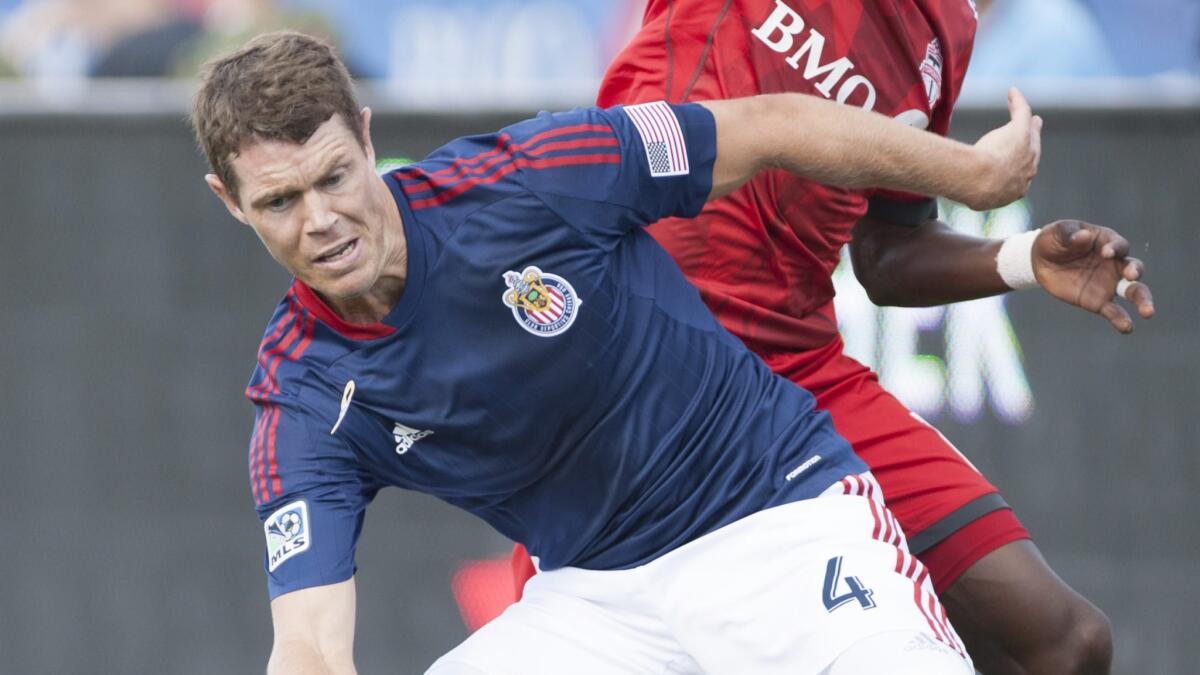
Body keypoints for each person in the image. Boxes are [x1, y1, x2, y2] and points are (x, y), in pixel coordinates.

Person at [193, 31, 1044, 674]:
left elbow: (774, 123)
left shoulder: (529, 180)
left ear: (368, 139)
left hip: (775, 518)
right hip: (595, 599)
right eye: (279, 200)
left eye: (335, 177)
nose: (320, 221)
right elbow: (306, 638)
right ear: (229, 203)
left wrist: (972, 177)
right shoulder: (302, 396)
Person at [509, 1, 1155, 674]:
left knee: (1066, 643)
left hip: (793, 371)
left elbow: (886, 251)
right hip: (637, 354)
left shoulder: (947, 29)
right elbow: (776, 128)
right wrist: (975, 173)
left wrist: (1021, 259)